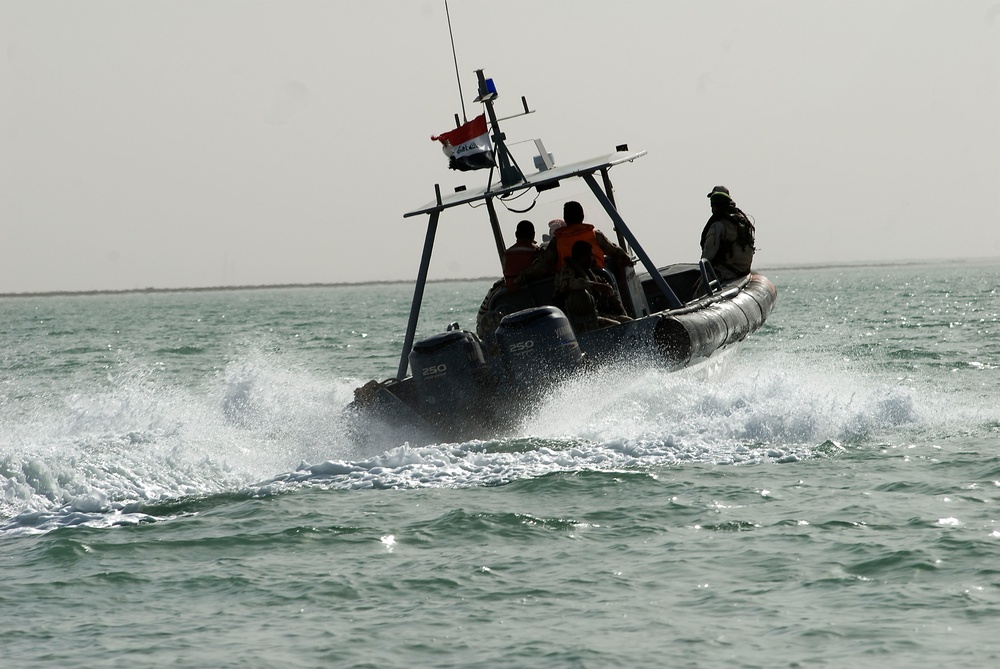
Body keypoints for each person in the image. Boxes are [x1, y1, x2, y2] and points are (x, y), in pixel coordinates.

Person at [519, 200, 632, 283]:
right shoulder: (595, 235)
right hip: (600, 279)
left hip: (569, 285)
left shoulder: (556, 242)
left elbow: (542, 266)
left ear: (566, 219)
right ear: (582, 216)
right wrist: (627, 258)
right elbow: (617, 252)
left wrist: (520, 279)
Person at [555, 240, 632, 333]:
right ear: (582, 256)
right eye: (590, 255)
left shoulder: (589, 273)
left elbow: (608, 290)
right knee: (617, 327)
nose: (592, 258)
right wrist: (593, 286)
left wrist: (617, 306)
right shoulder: (567, 271)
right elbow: (567, 284)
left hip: (595, 315)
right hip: (577, 320)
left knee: (628, 322)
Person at [700, 186, 756, 281]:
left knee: (698, 290)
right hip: (744, 272)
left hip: (725, 273)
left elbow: (707, 256)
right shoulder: (743, 221)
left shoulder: (718, 226)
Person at [502, 220, 541, 289]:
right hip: (532, 291)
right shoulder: (536, 251)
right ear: (533, 235)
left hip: (510, 292)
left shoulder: (507, 253)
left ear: (516, 234)